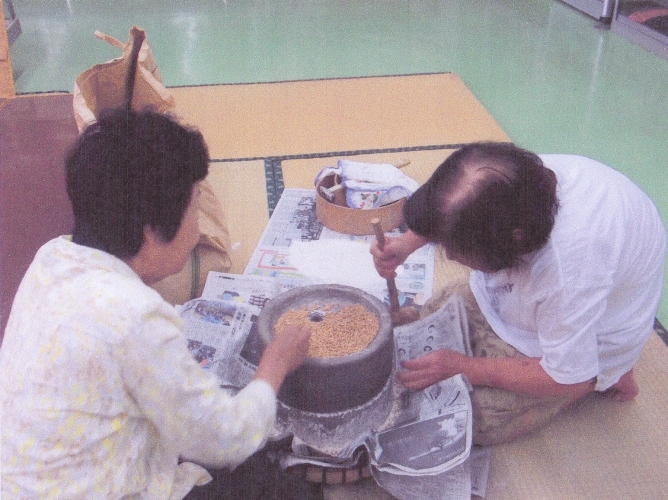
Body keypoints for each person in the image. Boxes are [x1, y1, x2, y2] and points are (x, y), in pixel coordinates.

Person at [0, 109, 319, 499]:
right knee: (281, 485)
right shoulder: (133, 317)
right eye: (194, 207)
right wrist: (275, 364)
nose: (198, 227)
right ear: (151, 231)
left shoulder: (51, 259)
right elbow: (226, 438)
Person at [371, 142, 666, 445]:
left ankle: (603, 377)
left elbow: (563, 374)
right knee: (438, 308)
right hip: (565, 295)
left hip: (596, 335)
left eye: (456, 249)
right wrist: (407, 243)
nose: (451, 257)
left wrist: (465, 368)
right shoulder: (511, 181)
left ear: (512, 240)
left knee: (472, 418)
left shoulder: (569, 269)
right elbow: (449, 208)